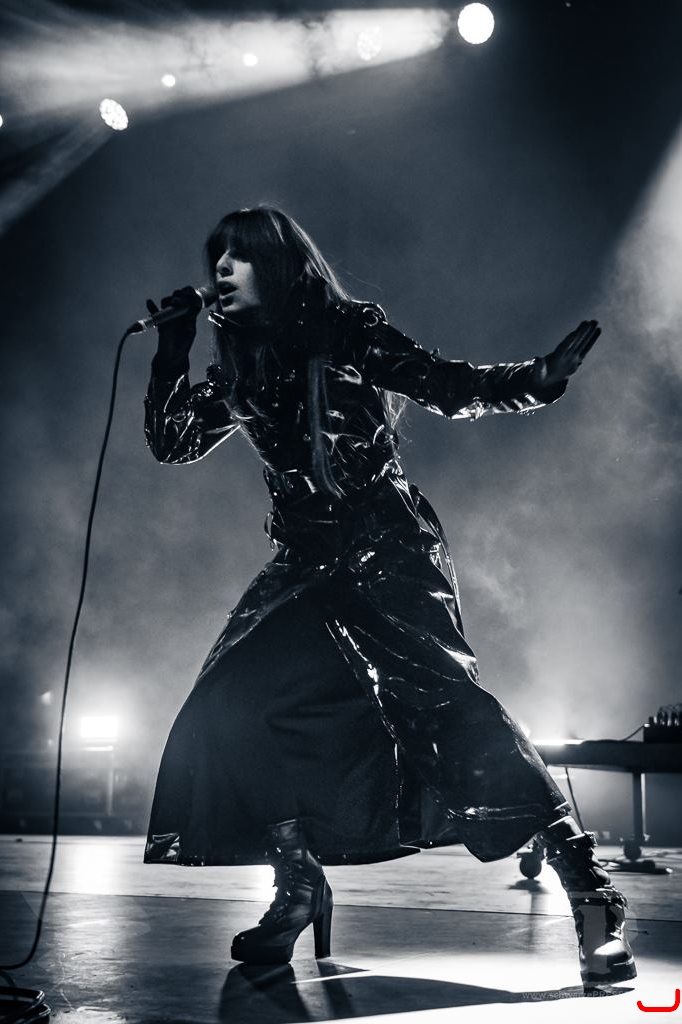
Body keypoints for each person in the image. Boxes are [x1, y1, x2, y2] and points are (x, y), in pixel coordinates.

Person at [142, 205, 635, 988]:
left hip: (386, 548)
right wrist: (172, 346)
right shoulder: (241, 365)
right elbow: (172, 443)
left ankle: (591, 893)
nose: (221, 270)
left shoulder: (345, 330)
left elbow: (443, 384)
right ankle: (296, 885)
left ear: (279, 263)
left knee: (448, 711)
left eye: (239, 256)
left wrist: (531, 383)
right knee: (229, 704)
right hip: (304, 561)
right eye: (216, 258)